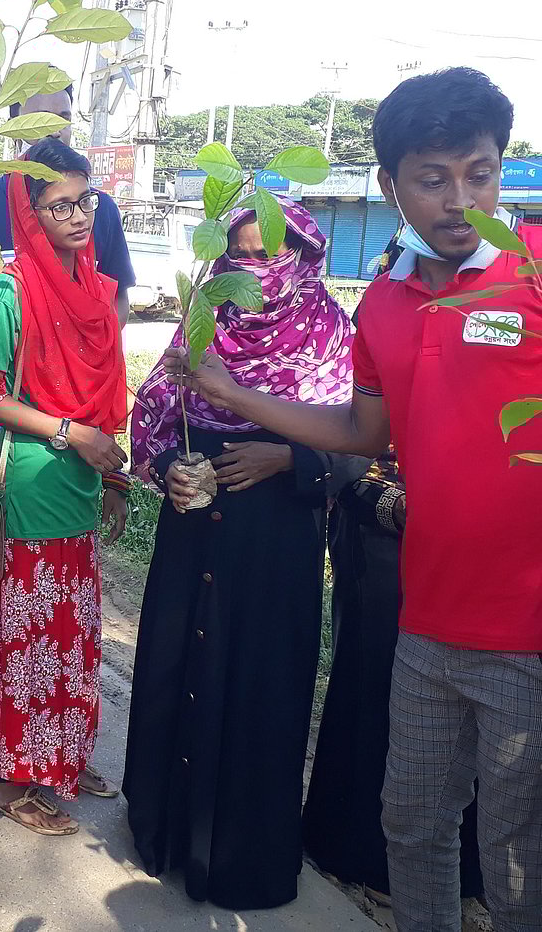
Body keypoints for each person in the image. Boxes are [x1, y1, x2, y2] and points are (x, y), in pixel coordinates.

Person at [166, 67, 542, 932]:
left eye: (480, 172)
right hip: (428, 622)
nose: (457, 198)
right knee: (413, 828)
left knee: (517, 863)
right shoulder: (387, 302)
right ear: (388, 184)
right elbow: (366, 432)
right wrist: (231, 392)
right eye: (432, 179)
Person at [124, 197, 356, 908]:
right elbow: (158, 403)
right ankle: (161, 832)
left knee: (260, 680)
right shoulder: (204, 323)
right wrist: (169, 463)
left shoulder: (331, 331)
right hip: (195, 517)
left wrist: (288, 459)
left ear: (304, 256)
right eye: (243, 255)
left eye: (269, 254)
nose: (254, 270)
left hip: (275, 540)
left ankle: (241, 856)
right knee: (174, 662)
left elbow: (358, 439)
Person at [0, 138, 129, 835]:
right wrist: (70, 434)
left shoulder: (95, 289)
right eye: (58, 205)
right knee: (27, 640)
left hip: (83, 485)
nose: (78, 215)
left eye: (84, 200)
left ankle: (56, 754)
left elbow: (108, 392)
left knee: (71, 633)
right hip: (32, 483)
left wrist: (108, 472)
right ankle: (11, 777)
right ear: (29, 213)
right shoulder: (12, 289)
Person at [302, 449, 485, 902]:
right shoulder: (395, 376)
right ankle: (364, 854)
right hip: (382, 524)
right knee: (376, 676)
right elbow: (352, 437)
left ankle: (465, 865)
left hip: (484, 533)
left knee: (475, 690)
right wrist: (399, 506)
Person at [0, 77, 136, 327]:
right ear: (14, 125)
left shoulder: (99, 208)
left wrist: (95, 354)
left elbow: (117, 297)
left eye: (63, 118)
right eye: (42, 119)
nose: (55, 130)